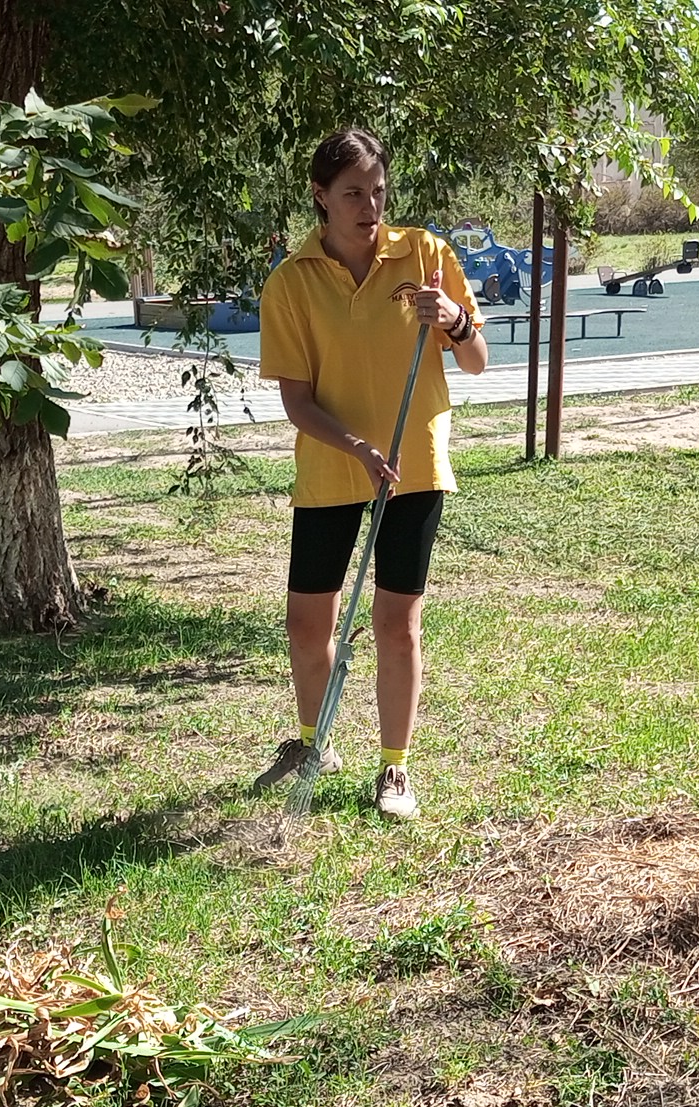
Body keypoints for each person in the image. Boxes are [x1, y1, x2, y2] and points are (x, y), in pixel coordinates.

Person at [247, 128, 487, 820]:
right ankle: (313, 744)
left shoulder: (426, 256)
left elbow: (477, 362)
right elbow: (297, 400)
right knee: (306, 623)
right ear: (320, 196)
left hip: (413, 467)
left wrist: (454, 321)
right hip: (333, 465)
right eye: (353, 193)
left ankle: (395, 769)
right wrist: (354, 445)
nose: (370, 206)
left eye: (378, 191)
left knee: (396, 623)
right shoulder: (291, 282)